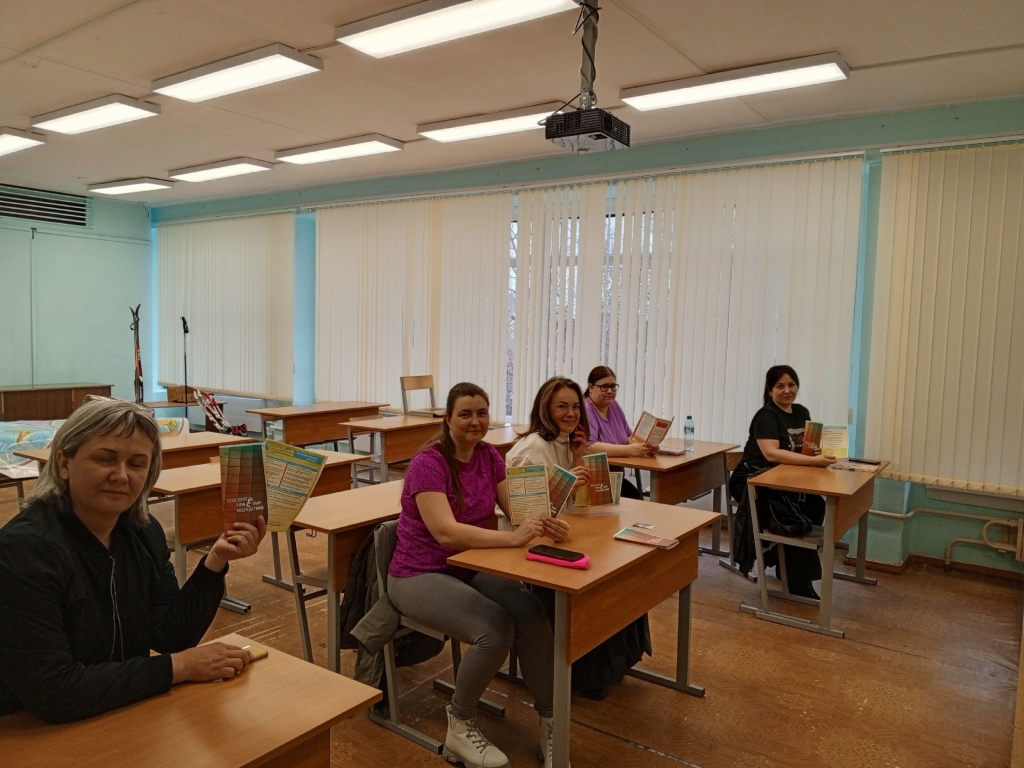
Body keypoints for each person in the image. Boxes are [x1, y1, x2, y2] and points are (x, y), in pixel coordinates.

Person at [0, 397, 266, 724]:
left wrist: (215, 562)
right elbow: (54, 691)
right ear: (64, 463)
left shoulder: (143, 531)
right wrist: (181, 666)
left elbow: (171, 637)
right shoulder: (25, 550)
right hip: (30, 728)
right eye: (105, 459)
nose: (121, 475)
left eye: (137, 464)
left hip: (120, 709)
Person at [387, 382, 569, 768]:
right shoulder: (428, 463)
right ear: (447, 419)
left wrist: (545, 522)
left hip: (469, 566)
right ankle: (459, 726)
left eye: (482, 413)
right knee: (494, 628)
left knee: (530, 611)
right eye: (465, 414)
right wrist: (514, 538)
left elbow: (516, 511)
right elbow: (445, 533)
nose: (475, 421)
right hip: (418, 574)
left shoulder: (489, 456)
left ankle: (552, 722)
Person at [507, 376, 651, 701]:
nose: (571, 413)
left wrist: (578, 456)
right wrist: (568, 481)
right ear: (545, 409)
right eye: (562, 406)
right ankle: (585, 672)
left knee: (621, 568)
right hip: (533, 544)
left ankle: (614, 662)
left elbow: (584, 502)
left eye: (575, 406)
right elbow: (526, 515)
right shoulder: (532, 449)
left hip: (563, 533)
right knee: (598, 579)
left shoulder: (568, 443)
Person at [729, 365, 835, 598]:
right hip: (753, 480)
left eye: (791, 385)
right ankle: (798, 581)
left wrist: (820, 454)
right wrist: (813, 462)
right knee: (794, 514)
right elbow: (772, 454)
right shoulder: (766, 416)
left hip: (784, 479)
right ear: (770, 390)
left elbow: (806, 449)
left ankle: (781, 557)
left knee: (815, 504)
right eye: (780, 386)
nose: (787, 390)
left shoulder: (802, 412)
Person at [582, 365, 655, 501]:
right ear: (591, 387)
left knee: (637, 499)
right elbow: (589, 447)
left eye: (613, 386)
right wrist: (630, 450)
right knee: (636, 500)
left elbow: (628, 438)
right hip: (596, 479)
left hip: (615, 477)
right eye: (604, 387)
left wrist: (644, 448)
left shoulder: (614, 406)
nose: (610, 391)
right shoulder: (586, 409)